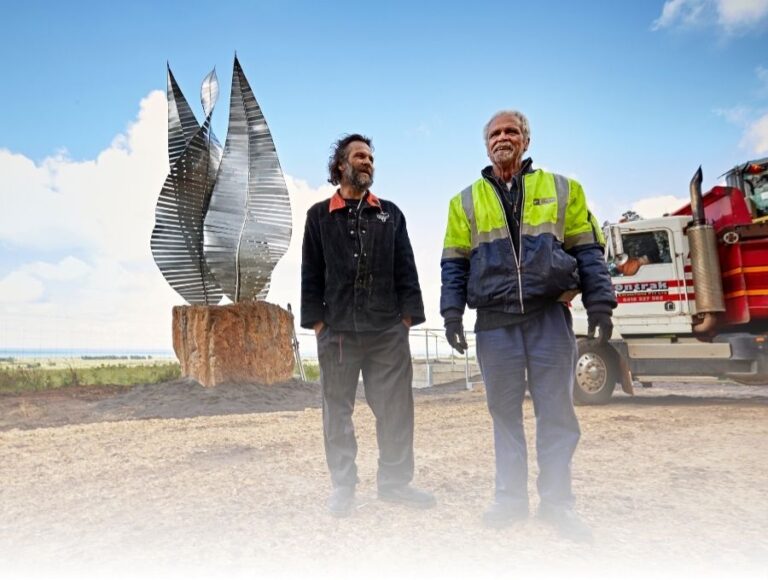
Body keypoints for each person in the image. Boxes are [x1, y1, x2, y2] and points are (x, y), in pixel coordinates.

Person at [440, 111, 616, 540]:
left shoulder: (563, 189)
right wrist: (451, 314)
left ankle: (557, 504)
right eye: (495, 133)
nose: (503, 137)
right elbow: (454, 264)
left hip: (548, 318)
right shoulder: (464, 201)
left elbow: (589, 251)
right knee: (504, 415)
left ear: (526, 141)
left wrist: (600, 304)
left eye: (512, 131)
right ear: (486, 145)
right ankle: (510, 500)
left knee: (556, 412)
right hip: (494, 324)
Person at [301, 134, 436, 517]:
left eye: (371, 158)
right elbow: (311, 274)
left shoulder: (390, 214)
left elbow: (406, 270)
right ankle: (343, 486)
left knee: (396, 410)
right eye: (360, 156)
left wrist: (406, 320)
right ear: (341, 165)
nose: (368, 162)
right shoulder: (318, 216)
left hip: (387, 333)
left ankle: (395, 483)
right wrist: (319, 325)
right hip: (338, 334)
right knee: (337, 412)